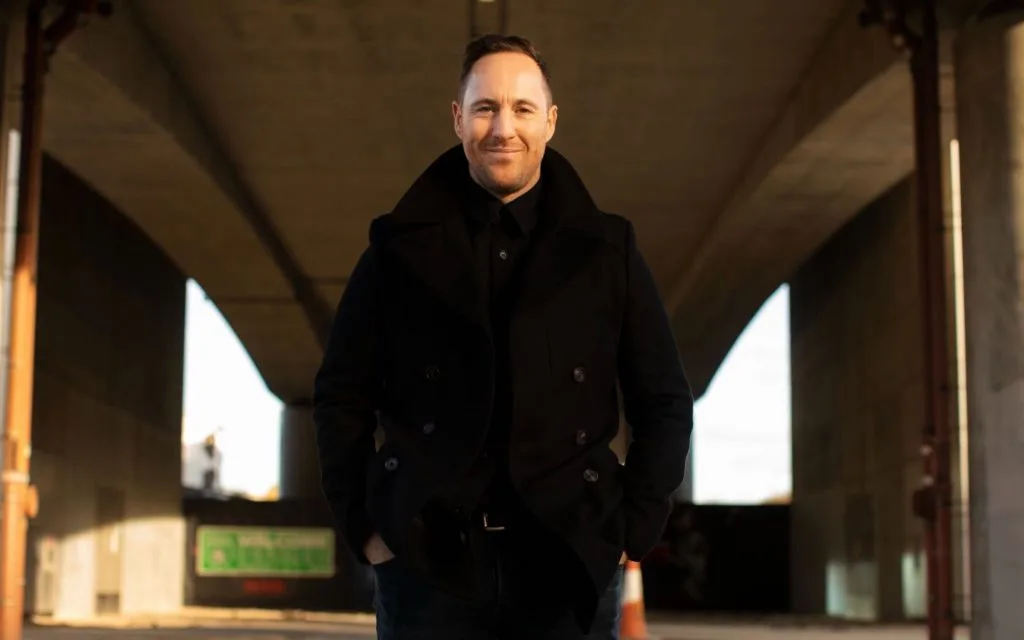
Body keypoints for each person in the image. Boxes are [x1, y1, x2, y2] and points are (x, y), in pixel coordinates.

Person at [313, 33, 693, 639]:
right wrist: (366, 528)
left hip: (566, 560)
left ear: (551, 121)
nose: (503, 128)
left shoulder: (607, 250)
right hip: (427, 564)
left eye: (522, 108)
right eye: (485, 108)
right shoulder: (396, 248)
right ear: (457, 118)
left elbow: (664, 399)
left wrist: (632, 528)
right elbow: (341, 395)